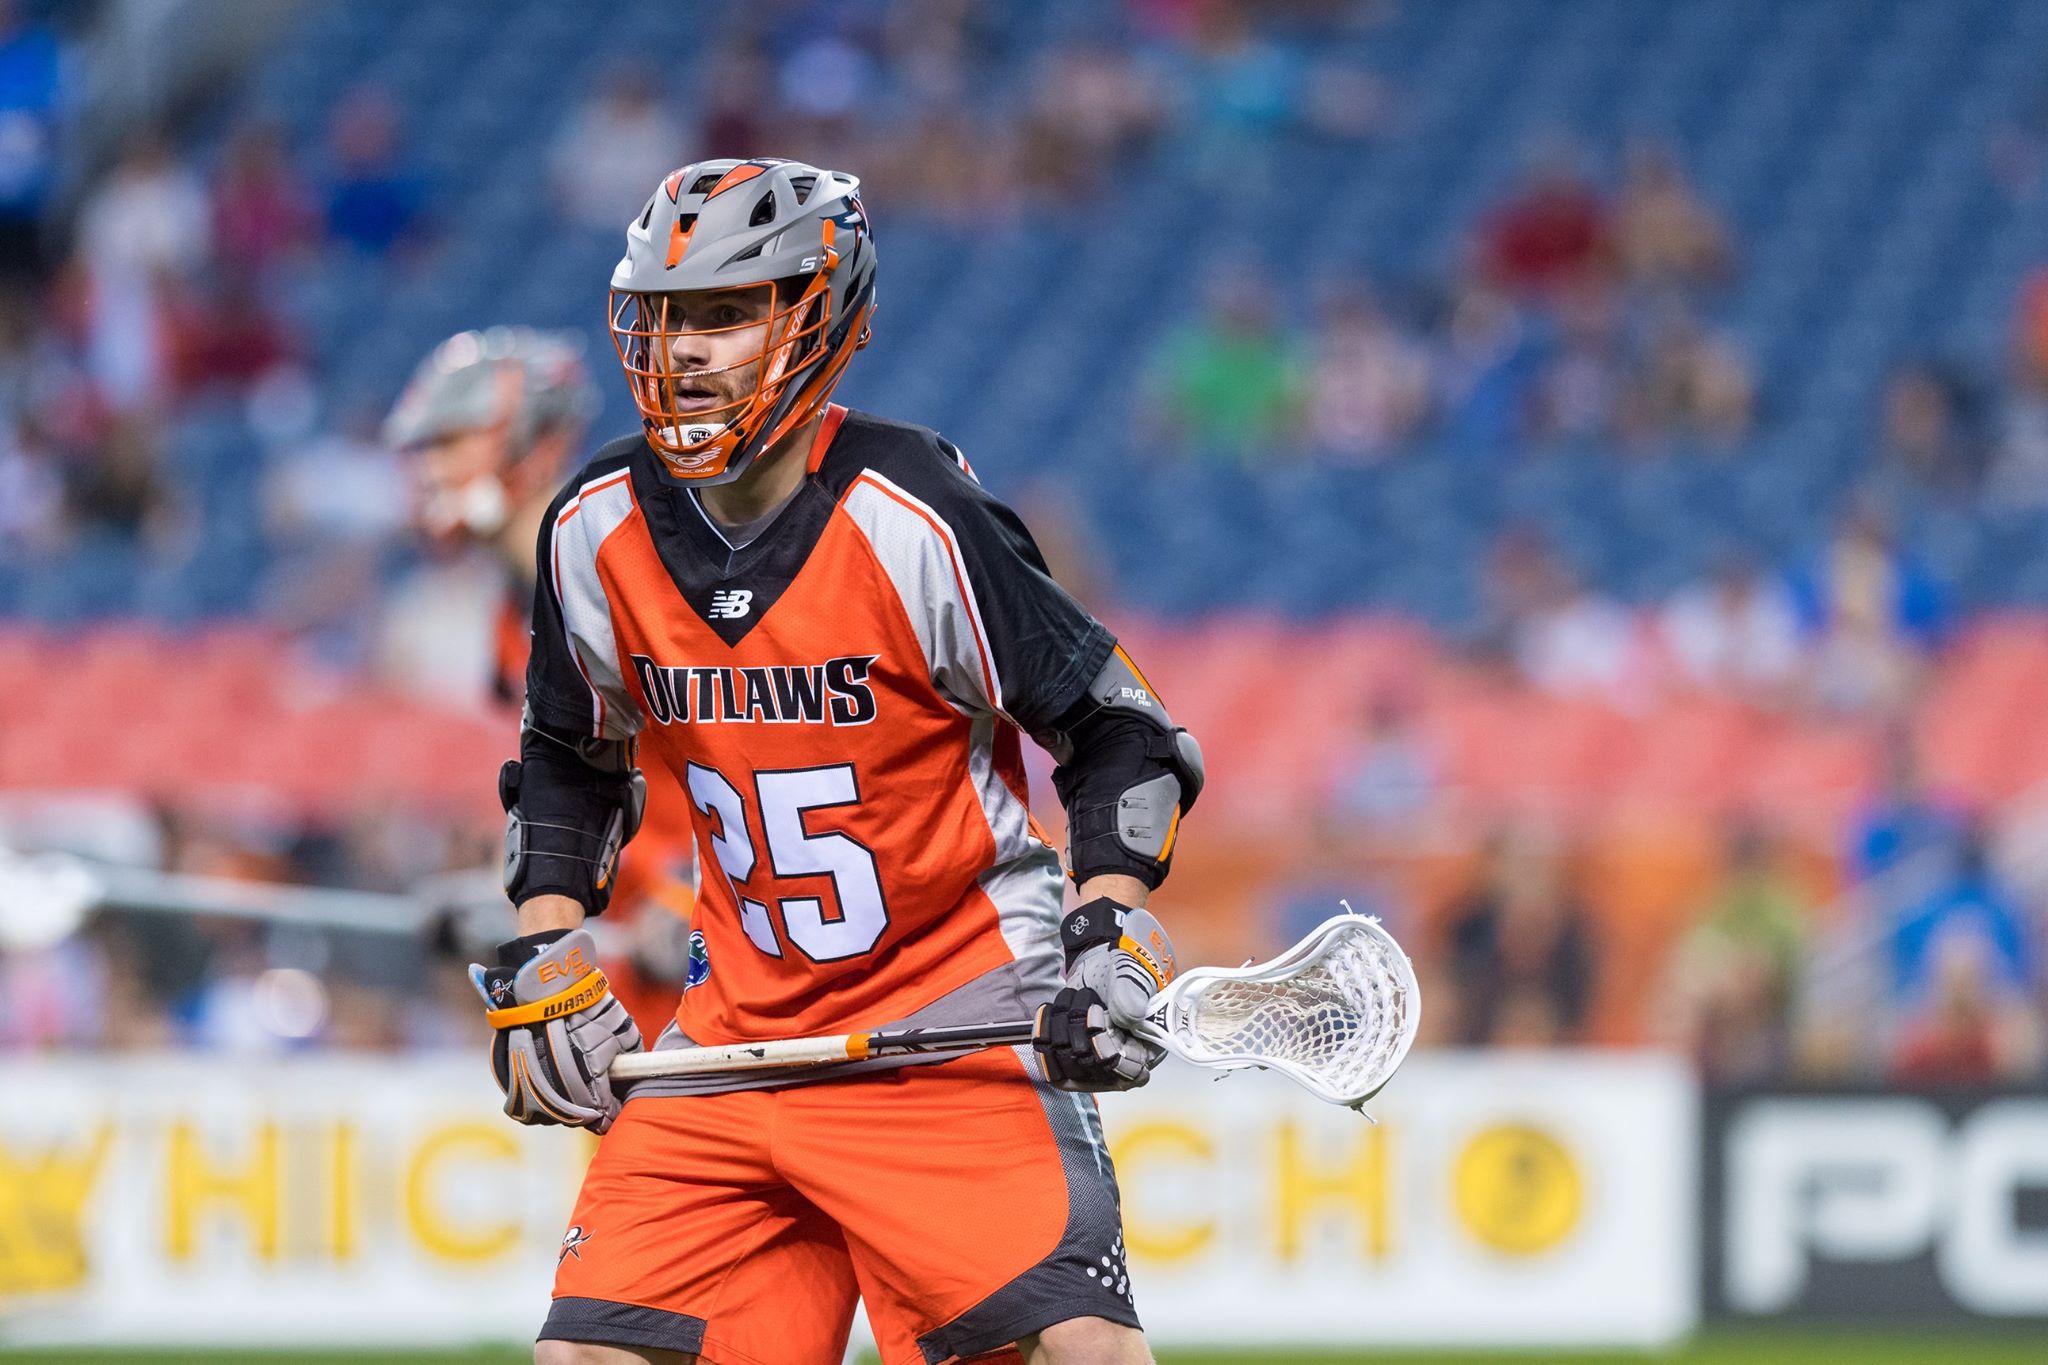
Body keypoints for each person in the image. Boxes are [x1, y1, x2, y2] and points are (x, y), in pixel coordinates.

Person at [468, 158, 1203, 1365]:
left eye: (724, 310)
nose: (685, 350)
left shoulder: (913, 512)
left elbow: (1119, 731)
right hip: (732, 1038)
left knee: (1085, 1359)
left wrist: (1107, 927)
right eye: (665, 315)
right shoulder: (590, 522)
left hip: (952, 1025)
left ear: (819, 315)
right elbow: (567, 756)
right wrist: (552, 944)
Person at [383, 326, 695, 1039]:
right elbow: (558, 782)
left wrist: (697, 890)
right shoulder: (509, 608)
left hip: (731, 948)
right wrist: (507, 896)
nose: (430, 467)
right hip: (631, 966)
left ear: (539, 440)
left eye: (451, 440)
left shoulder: (635, 575)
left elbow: (752, 751)